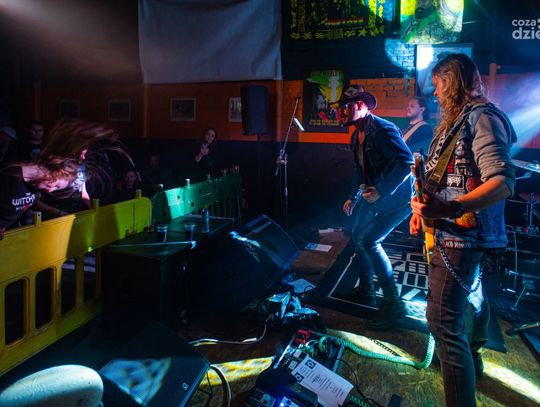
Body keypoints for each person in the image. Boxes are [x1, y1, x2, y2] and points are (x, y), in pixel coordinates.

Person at [410, 54, 516, 406]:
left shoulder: (482, 117)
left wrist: (450, 208)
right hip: (447, 231)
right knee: (471, 300)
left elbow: (502, 182)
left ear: (454, 82)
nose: (435, 94)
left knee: (442, 322)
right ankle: (473, 356)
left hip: (462, 237)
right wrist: (421, 209)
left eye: (439, 86)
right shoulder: (456, 122)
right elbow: (442, 176)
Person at [338, 86, 414, 330]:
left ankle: (394, 303)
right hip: (374, 198)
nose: (341, 111)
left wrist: (381, 189)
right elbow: (359, 171)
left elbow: (406, 162)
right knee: (357, 235)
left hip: (398, 200)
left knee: (368, 240)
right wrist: (353, 197)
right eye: (340, 107)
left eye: (346, 106)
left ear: (361, 105)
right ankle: (366, 289)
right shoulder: (356, 136)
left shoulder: (382, 129)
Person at [0, 156, 79, 240]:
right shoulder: (7, 180)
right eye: (56, 185)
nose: (51, 190)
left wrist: (57, 212)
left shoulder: (34, 184)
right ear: (53, 171)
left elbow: (29, 200)